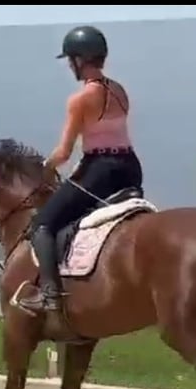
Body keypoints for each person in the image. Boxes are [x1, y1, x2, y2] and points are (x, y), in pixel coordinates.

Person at [18, 25, 144, 314]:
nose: (70, 67)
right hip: (130, 168)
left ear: (79, 60)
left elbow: (63, 151)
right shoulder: (120, 90)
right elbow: (107, 135)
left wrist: (46, 169)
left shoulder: (80, 99)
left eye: (71, 60)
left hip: (101, 170)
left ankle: (50, 295)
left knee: (43, 225)